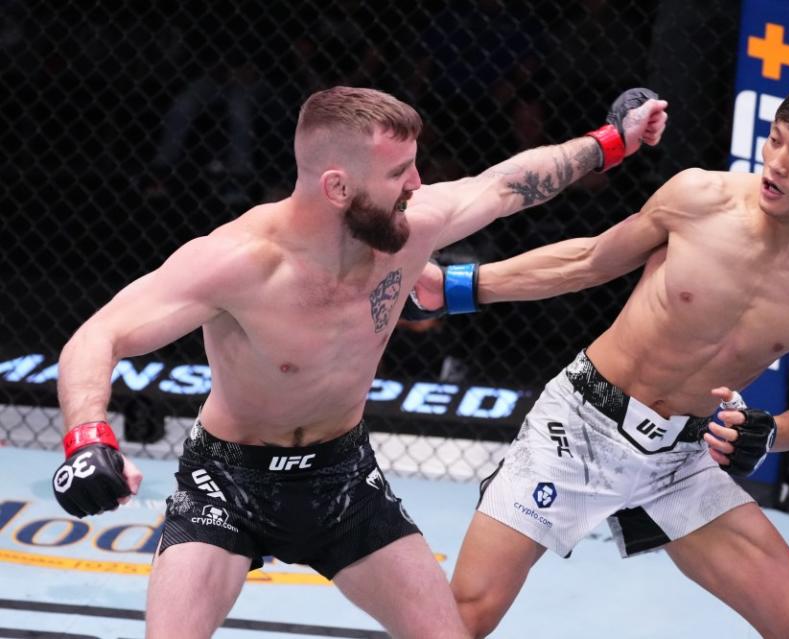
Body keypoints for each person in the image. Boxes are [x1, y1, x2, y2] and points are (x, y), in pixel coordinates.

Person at [49, 85, 668, 638]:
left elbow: (506, 183)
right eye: (399, 171)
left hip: (340, 475)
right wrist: (86, 437)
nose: (419, 184)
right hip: (227, 480)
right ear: (338, 186)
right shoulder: (237, 262)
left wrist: (614, 140)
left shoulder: (408, 230)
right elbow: (98, 335)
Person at [408, 73, 789, 638]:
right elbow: (589, 261)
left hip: (679, 459)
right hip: (578, 425)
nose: (778, 163)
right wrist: (461, 286)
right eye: (776, 139)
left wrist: (769, 433)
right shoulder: (699, 198)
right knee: (463, 618)